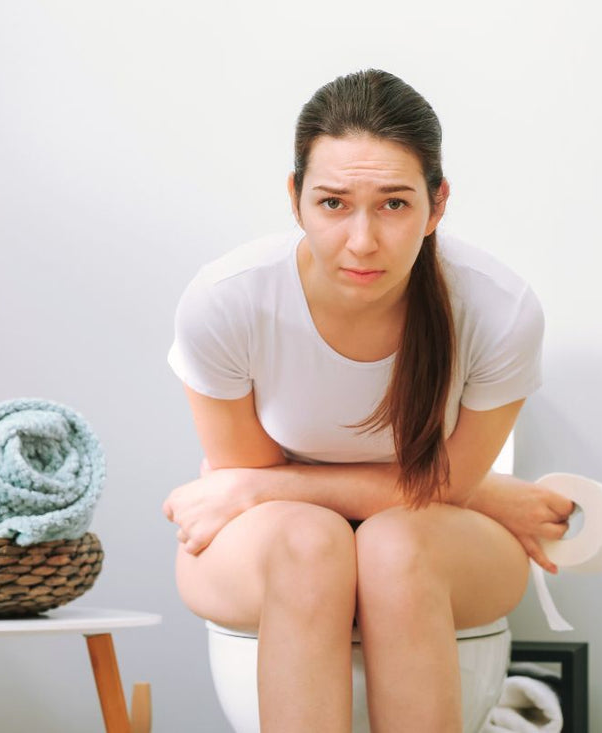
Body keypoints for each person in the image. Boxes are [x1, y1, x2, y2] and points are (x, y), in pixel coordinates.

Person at [163, 68, 574, 732]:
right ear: (295, 198)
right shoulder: (228, 300)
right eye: (332, 203)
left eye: (393, 204)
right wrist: (486, 492)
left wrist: (257, 490)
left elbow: (254, 483)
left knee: (393, 547)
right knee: (310, 544)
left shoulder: (499, 309)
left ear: (437, 205)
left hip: (430, 538)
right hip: (277, 539)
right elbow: (260, 478)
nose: (362, 240)